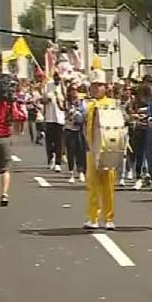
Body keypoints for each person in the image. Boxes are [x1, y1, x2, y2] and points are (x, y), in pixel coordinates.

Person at [83, 70, 118, 230]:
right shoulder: (88, 105)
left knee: (108, 185)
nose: (97, 89)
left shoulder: (111, 103)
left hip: (109, 149)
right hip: (92, 149)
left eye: (100, 86)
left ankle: (109, 218)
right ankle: (93, 217)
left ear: (105, 87)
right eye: (94, 86)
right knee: (92, 184)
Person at [0, 74, 13, 206]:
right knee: (5, 169)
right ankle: (5, 194)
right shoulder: (7, 104)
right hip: (4, 137)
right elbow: (17, 117)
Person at [63, 82, 87, 184]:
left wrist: (79, 112)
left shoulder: (81, 102)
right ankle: (71, 172)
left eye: (76, 90)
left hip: (79, 129)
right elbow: (65, 114)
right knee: (71, 151)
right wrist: (71, 112)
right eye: (72, 90)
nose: (74, 92)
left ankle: (81, 171)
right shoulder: (67, 102)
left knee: (81, 150)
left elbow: (85, 113)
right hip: (69, 129)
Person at [42, 72, 65, 172]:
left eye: (59, 79)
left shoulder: (63, 87)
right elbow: (43, 100)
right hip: (49, 117)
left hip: (60, 118)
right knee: (49, 141)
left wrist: (60, 98)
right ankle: (50, 158)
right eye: (56, 78)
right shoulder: (48, 85)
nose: (57, 80)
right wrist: (48, 99)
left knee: (59, 141)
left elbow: (66, 101)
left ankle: (58, 163)